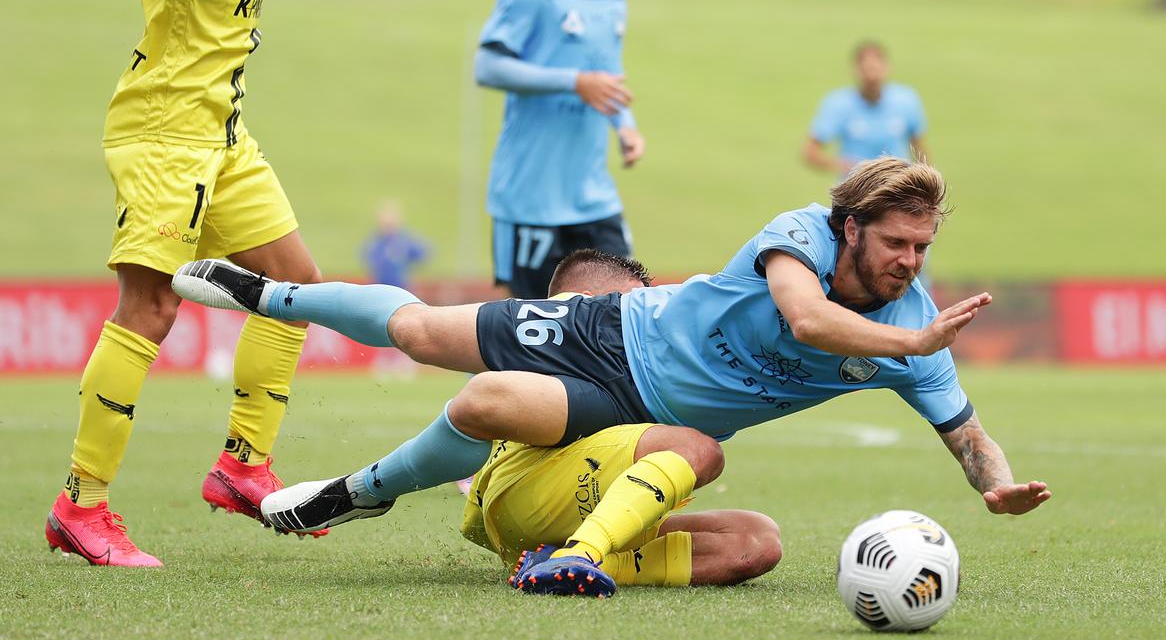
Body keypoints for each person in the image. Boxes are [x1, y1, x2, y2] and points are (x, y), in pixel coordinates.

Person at [172, 157, 1051, 596]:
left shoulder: (916, 327)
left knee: (496, 405)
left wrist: (998, 485)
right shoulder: (805, 235)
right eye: (896, 242)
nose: (908, 261)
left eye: (922, 248)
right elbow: (804, 318)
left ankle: (370, 491)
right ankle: (270, 292)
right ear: (852, 226)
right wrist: (908, 344)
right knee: (422, 332)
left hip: (637, 419)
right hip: (611, 334)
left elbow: (967, 434)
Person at [44, 0, 334, 567]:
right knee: (149, 310)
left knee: (295, 285)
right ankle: (80, 505)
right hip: (165, 132)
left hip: (221, 134)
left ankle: (243, 465)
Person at [462, 250, 782, 592]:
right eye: (626, 307)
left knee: (756, 540)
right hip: (533, 496)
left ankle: (571, 562)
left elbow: (474, 525)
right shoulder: (571, 358)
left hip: (553, 516)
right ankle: (584, 553)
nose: (640, 322)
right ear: (581, 304)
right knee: (697, 449)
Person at [475, 0, 645, 299]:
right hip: (530, 198)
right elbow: (488, 66)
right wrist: (574, 82)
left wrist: (625, 125)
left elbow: (606, 68)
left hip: (594, 196)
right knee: (535, 332)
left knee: (623, 312)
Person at [803, 41, 929, 177]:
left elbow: (919, 147)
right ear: (856, 70)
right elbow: (810, 151)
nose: (871, 77)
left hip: (897, 188)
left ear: (886, 68)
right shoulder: (838, 104)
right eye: (866, 70)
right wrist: (841, 165)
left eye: (875, 69)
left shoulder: (906, 100)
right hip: (856, 190)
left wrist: (925, 179)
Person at [362, 201, 432, 290]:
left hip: (402, 287)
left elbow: (421, 254)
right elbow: (368, 259)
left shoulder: (405, 240)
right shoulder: (375, 242)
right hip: (381, 287)